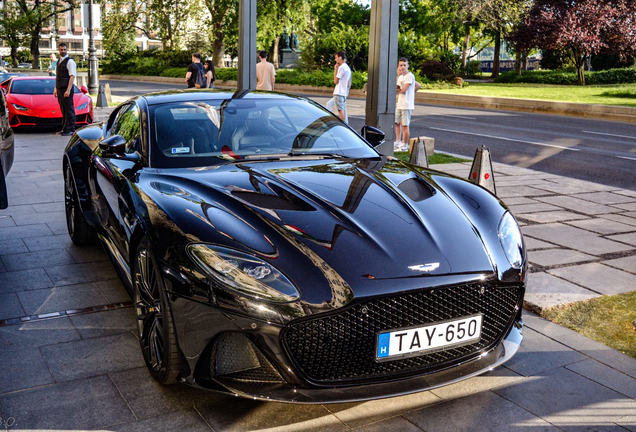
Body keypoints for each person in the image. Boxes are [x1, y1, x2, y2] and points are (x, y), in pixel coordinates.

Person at [394, 57, 421, 151]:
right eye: (401, 65)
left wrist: (399, 90)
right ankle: (398, 141)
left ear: (408, 66)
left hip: (406, 104)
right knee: (396, 122)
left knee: (405, 125)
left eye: (404, 65)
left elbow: (403, 90)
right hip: (400, 103)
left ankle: (405, 145)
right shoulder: (400, 77)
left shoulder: (410, 76)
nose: (402, 67)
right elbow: (398, 89)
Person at [53, 43, 76, 136]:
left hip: (66, 89)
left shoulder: (70, 62)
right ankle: (65, 128)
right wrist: (55, 88)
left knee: (69, 109)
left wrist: (68, 90)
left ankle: (71, 129)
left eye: (64, 50)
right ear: (58, 50)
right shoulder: (59, 61)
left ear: (67, 50)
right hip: (59, 89)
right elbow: (57, 76)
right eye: (61, 49)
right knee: (63, 109)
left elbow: (72, 76)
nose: (63, 51)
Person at [326, 51, 351, 122]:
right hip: (343, 93)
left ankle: (342, 126)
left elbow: (335, 81)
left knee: (341, 111)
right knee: (343, 110)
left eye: (336, 57)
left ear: (340, 57)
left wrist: (335, 69)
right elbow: (348, 84)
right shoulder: (347, 68)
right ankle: (345, 125)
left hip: (339, 92)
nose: (335, 59)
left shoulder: (342, 68)